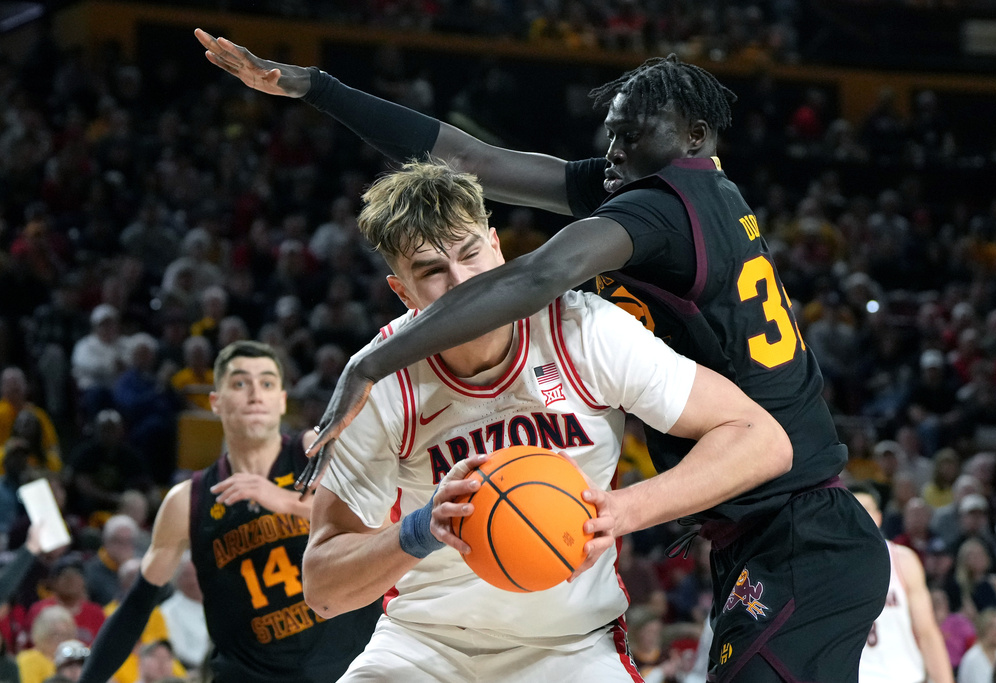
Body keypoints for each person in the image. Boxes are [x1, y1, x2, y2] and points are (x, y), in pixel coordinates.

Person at [196, 30, 889, 682]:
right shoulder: (655, 189)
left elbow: (535, 279)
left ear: (694, 138)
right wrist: (315, 87)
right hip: (750, 526)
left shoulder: (658, 215)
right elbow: (474, 161)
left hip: (797, 520)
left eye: (629, 135)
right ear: (400, 287)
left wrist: (368, 362)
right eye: (610, 135)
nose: (611, 151)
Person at [301, 159, 792, 680]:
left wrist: (624, 509)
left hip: (572, 647)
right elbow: (324, 591)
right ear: (402, 292)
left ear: (497, 245)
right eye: (431, 271)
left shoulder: (583, 329)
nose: (463, 282)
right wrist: (420, 529)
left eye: (470, 255)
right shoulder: (377, 384)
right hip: (426, 646)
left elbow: (761, 439)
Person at [79, 340, 380, 683]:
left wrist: (282, 500)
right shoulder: (187, 500)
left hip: (347, 669)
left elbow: (380, 524)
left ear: (282, 400)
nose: (255, 394)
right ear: (215, 402)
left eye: (267, 383)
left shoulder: (319, 452)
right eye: (240, 383)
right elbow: (136, 607)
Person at [851, 482, 954, 683]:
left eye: (866, 510)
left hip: (905, 676)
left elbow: (927, 632)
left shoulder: (902, 559)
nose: (860, 516)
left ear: (879, 517)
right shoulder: (826, 567)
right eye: (853, 509)